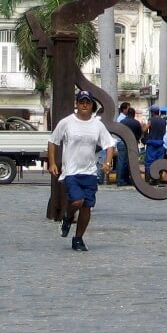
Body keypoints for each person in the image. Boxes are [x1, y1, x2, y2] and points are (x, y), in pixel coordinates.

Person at [48, 90, 114, 252]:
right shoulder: (67, 122)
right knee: (77, 201)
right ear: (76, 104)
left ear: (92, 105)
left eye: (88, 102)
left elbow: (109, 144)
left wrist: (107, 161)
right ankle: (68, 217)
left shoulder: (97, 124)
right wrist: (52, 163)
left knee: (87, 206)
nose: (84, 104)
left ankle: (78, 239)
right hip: (71, 171)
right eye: (81, 101)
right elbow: (53, 141)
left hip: (89, 172)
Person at [114, 103, 142, 186]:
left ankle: (120, 180)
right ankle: (125, 179)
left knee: (121, 162)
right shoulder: (136, 123)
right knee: (130, 163)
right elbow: (139, 134)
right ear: (133, 114)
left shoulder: (122, 121)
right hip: (132, 144)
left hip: (122, 142)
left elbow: (118, 132)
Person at [143, 105, 167, 182]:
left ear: (152, 112)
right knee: (159, 162)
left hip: (152, 144)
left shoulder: (151, 120)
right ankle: (157, 179)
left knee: (149, 162)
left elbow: (144, 129)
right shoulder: (164, 121)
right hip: (160, 144)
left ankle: (148, 179)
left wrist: (144, 131)